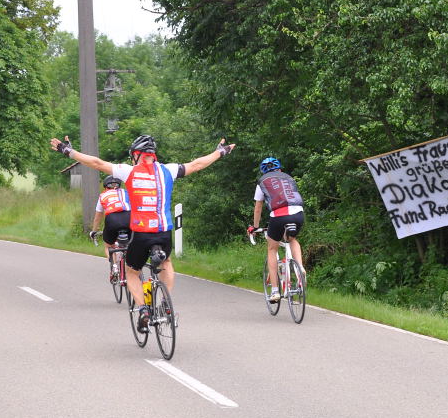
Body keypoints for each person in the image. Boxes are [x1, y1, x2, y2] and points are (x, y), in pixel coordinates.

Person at [51, 134, 234, 332]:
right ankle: (165, 304)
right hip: (163, 231)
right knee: (166, 263)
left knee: (132, 272)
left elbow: (96, 163)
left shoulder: (128, 171)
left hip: (141, 233)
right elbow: (197, 164)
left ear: (137, 155)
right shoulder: (168, 170)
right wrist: (220, 152)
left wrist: (68, 151)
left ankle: (143, 310)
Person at [247, 157, 305, 303]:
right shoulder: (288, 178)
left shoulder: (262, 182)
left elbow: (258, 208)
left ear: (263, 171)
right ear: (279, 169)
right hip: (298, 213)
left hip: (279, 216)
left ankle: (274, 291)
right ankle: (300, 268)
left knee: (272, 248)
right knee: (292, 239)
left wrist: (255, 227)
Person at [89, 176, 131, 279]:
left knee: (108, 246)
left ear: (105, 186)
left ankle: (115, 266)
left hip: (112, 219)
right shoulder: (126, 192)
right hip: (129, 217)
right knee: (132, 243)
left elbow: (98, 217)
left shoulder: (103, 195)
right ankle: (132, 264)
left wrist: (94, 231)